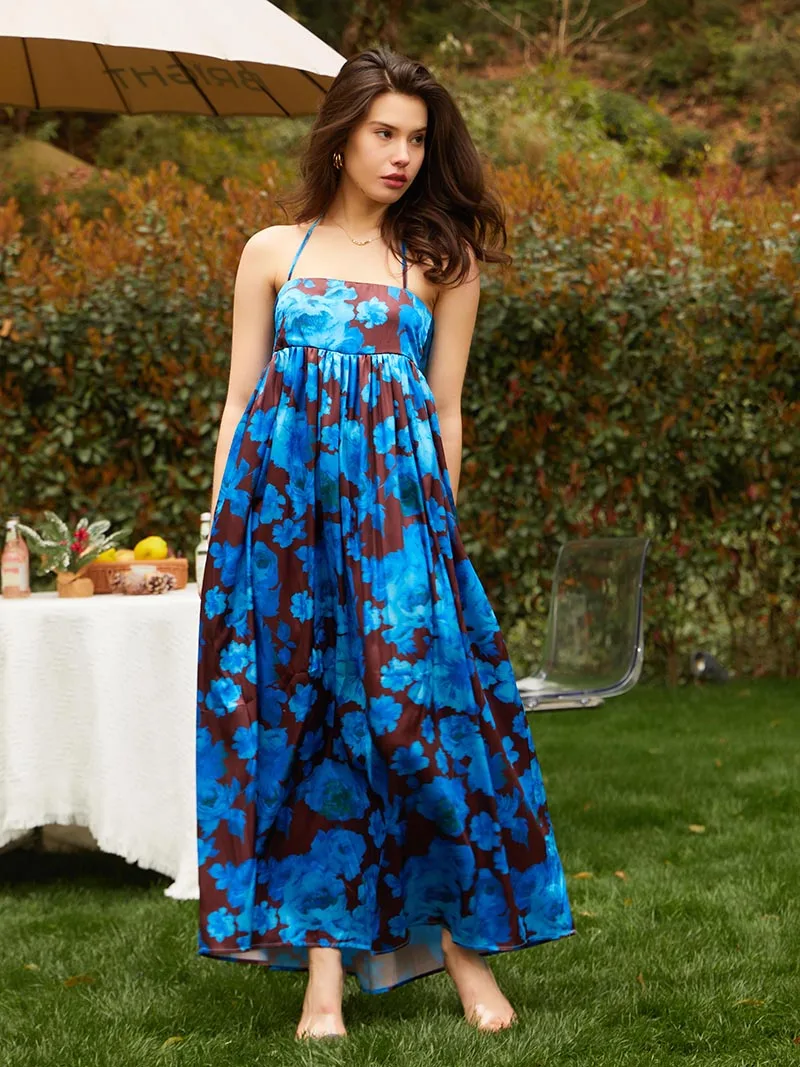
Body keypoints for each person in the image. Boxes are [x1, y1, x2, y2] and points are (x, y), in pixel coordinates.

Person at [195, 46, 574, 1042]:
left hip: (400, 532)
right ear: (342, 137)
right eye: (384, 133)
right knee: (308, 734)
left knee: (416, 727)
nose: (402, 154)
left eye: (416, 138)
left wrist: (435, 540)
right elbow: (239, 401)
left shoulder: (442, 264)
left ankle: (461, 944)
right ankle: (323, 978)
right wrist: (217, 531)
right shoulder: (272, 253)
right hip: (279, 535)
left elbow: (445, 413)